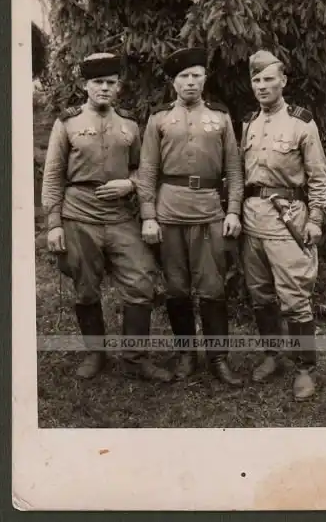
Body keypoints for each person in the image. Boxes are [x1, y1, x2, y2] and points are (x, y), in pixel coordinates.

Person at [41, 52, 172, 382]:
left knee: (141, 281)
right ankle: (95, 354)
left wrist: (129, 184)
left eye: (110, 83)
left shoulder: (129, 124)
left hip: (119, 216)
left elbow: (143, 170)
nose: (104, 88)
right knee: (86, 288)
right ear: (85, 86)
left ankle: (135, 359)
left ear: (118, 87)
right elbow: (53, 175)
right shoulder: (67, 123)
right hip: (79, 215)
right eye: (97, 82)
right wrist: (54, 224)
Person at [137, 47, 244, 386]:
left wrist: (233, 210)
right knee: (177, 288)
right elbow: (147, 170)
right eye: (183, 76)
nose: (190, 82)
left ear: (205, 79)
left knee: (213, 287)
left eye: (196, 75)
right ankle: (186, 354)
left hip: (210, 209)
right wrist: (148, 215)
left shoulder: (221, 117)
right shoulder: (158, 119)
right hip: (170, 211)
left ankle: (218, 359)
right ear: (174, 82)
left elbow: (234, 169)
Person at [241, 50, 326, 400]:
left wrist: (316, 218)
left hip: (287, 218)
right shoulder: (248, 122)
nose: (262, 86)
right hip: (252, 219)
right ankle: (272, 355)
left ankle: (304, 368)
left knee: (294, 296)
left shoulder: (301, 123)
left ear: (283, 81)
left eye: (268, 79)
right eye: (256, 80)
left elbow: (318, 177)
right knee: (260, 294)